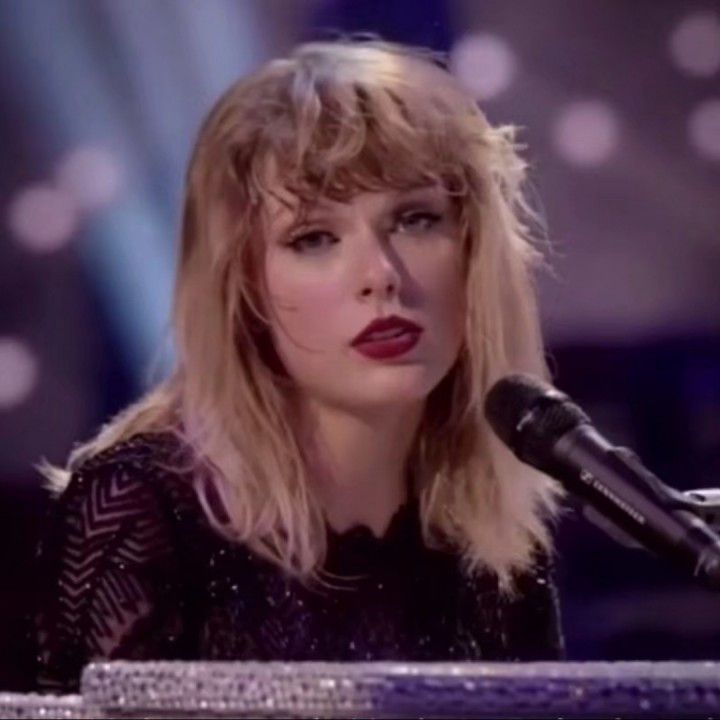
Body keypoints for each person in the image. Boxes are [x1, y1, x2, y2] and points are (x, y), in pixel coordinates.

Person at [32, 36, 565, 694]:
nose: (381, 275)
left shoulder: (492, 546)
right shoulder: (143, 511)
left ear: (475, 253)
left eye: (415, 220)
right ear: (246, 288)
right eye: (314, 238)